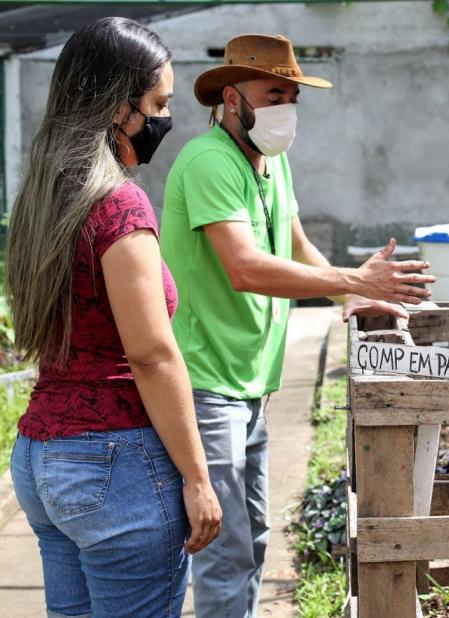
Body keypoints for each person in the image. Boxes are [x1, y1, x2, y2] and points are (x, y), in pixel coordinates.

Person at [159, 33, 434, 616]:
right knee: (226, 548)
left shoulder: (269, 160)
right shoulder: (209, 160)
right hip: (207, 383)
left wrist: (348, 293)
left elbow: (293, 238)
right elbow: (244, 267)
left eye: (293, 95)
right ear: (233, 99)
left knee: (252, 538)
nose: (287, 107)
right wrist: (354, 281)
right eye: (274, 93)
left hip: (252, 381)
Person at [7, 17, 222, 617]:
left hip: (41, 457)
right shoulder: (118, 203)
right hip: (114, 463)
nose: (163, 119)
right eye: (157, 103)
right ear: (115, 106)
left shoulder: (43, 197)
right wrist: (198, 478)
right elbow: (151, 354)